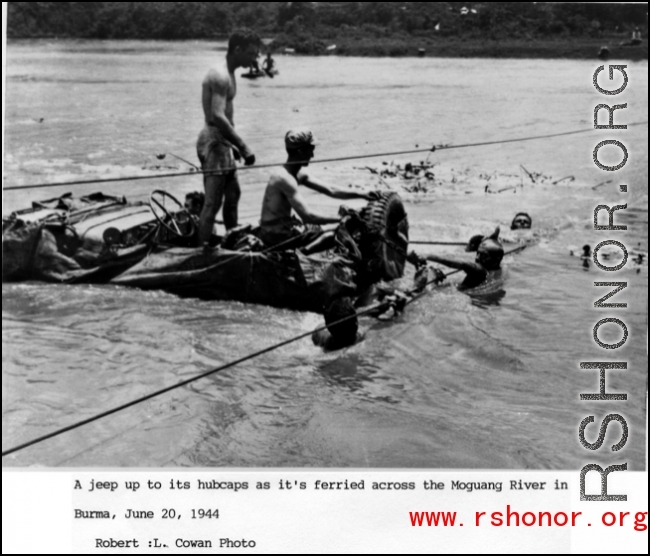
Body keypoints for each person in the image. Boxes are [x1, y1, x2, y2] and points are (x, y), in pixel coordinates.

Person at [258, 129, 379, 253]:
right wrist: (340, 218)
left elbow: (330, 189)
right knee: (335, 233)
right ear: (300, 151)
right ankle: (301, 255)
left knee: (330, 228)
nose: (312, 155)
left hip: (281, 227)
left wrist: (362, 194)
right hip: (274, 234)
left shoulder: (297, 173)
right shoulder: (284, 179)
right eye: (311, 150)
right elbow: (308, 216)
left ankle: (303, 251)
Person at [196, 28, 260, 245]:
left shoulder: (231, 73)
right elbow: (217, 116)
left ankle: (233, 242)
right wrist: (243, 146)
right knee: (212, 203)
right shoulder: (220, 75)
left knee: (233, 196)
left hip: (224, 142)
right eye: (251, 53)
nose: (254, 58)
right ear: (238, 50)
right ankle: (202, 252)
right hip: (214, 141)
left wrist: (233, 145)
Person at [409, 228, 504, 290]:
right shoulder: (497, 268)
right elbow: (496, 252)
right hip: (461, 290)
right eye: (478, 253)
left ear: (494, 260)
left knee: (427, 271)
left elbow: (461, 264)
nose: (477, 257)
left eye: (483, 256)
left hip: (451, 292)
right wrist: (492, 240)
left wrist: (428, 256)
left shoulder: (479, 270)